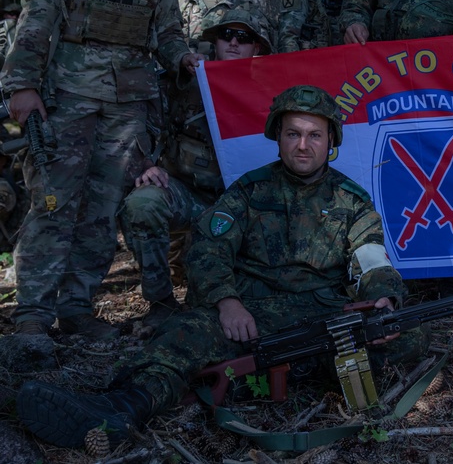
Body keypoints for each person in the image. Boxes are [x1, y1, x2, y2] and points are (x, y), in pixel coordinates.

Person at [17, 85, 424, 448]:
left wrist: (381, 298)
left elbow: (371, 257)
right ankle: (121, 409)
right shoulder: (248, 191)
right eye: (293, 134)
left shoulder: (352, 200)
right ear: (278, 138)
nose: (303, 145)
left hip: (320, 317)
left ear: (330, 140)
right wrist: (227, 302)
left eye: (314, 135)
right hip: (250, 315)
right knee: (182, 335)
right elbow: (207, 252)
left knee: (408, 336)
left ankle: (276, 376)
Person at [0, 0, 201, 340]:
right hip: (66, 99)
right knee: (52, 203)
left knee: (101, 210)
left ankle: (75, 309)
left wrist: (184, 59)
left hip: (128, 107)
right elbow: (37, 20)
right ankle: (31, 314)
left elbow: (168, 33)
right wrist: (21, 85)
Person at [118, 9, 272, 332]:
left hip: (249, 205)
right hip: (190, 194)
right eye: (225, 35)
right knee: (142, 203)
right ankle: (161, 304)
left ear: (256, 47)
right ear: (212, 42)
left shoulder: (270, 88)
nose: (232, 42)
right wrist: (145, 163)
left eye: (242, 38)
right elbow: (140, 117)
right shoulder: (184, 81)